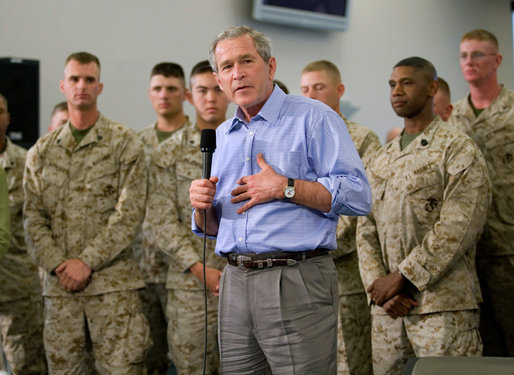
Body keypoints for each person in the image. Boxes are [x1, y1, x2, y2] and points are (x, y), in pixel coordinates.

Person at [189, 25, 371, 375]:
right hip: (235, 280)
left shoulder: (314, 117)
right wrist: (201, 207)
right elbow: (212, 228)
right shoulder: (222, 137)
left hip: (295, 279)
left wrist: (285, 186)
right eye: (227, 67)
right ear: (218, 79)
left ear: (270, 67)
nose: (237, 73)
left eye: (247, 61)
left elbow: (359, 195)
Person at [356, 56, 491, 375]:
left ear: (432, 88)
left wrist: (402, 278)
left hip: (441, 307)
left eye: (407, 82)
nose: (397, 91)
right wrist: (380, 288)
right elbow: (364, 227)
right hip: (388, 313)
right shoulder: (381, 158)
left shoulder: (457, 149)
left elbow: (459, 227)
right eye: (392, 84)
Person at [23, 52, 151, 374]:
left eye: (89, 80)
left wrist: (87, 262)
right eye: (75, 80)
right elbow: (33, 219)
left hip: (112, 291)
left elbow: (129, 213)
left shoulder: (124, 143)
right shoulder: (41, 152)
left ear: (100, 87)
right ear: (63, 86)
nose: (82, 86)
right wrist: (58, 265)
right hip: (60, 292)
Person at [146, 60, 230, 375]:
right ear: (190, 97)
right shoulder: (165, 154)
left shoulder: (250, 145)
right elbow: (162, 220)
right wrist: (199, 269)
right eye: (202, 91)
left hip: (244, 276)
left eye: (217, 90)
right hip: (189, 285)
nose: (211, 98)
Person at [301, 60, 380, 375]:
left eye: (319, 87)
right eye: (305, 89)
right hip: (303, 272)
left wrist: (316, 238)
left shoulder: (362, 139)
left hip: (344, 274)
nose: (311, 95)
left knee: (349, 360)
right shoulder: (299, 136)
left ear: (339, 90)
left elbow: (363, 205)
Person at [447, 29, 514, 356]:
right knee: (481, 345)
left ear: (497, 60)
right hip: (468, 248)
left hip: (509, 244)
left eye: (477, 54)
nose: (469, 62)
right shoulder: (452, 116)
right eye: (463, 55)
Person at [136, 62, 191, 374]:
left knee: (187, 356)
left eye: (171, 89)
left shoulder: (199, 142)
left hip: (183, 270)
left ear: (184, 94)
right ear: (149, 94)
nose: (164, 95)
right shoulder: (135, 143)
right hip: (141, 266)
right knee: (147, 355)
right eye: (158, 88)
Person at [0, 93, 46, 374]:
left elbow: (40, 219)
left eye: (0, 110)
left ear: (8, 117)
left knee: (25, 367)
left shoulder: (26, 161)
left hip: (18, 286)